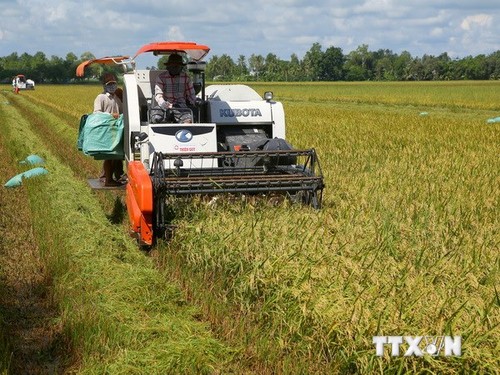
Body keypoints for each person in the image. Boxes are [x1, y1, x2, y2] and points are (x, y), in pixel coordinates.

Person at [93, 72, 124, 187]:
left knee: (115, 155)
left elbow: (122, 111)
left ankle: (112, 177)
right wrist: (110, 116)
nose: (112, 86)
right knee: (109, 155)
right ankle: (107, 179)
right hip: (106, 129)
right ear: (104, 85)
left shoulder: (116, 98)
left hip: (116, 129)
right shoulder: (101, 97)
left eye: (114, 83)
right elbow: (96, 113)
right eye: (109, 84)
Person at [154, 53, 196, 123]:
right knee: (156, 118)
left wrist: (195, 102)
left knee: (188, 121)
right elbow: (158, 95)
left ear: (181, 67)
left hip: (181, 107)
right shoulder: (161, 77)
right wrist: (163, 103)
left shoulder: (186, 78)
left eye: (177, 66)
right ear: (168, 67)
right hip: (164, 106)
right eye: (173, 66)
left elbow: (191, 95)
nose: (175, 68)